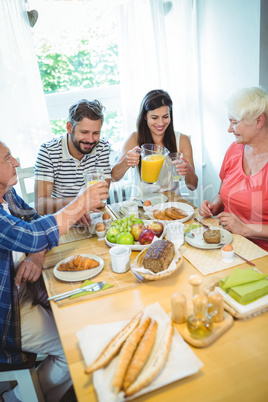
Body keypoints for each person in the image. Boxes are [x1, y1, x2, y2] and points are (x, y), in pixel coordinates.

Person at [0, 141, 108, 402]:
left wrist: (36, 256)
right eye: (7, 158)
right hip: (8, 312)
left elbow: (34, 223)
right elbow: (35, 234)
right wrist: (80, 204)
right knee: (76, 348)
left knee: (85, 312)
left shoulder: (7, 194)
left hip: (24, 291)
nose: (16, 162)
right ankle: (20, 398)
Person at [199, 86, 268, 251]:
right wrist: (214, 205)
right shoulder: (234, 149)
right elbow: (222, 193)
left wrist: (244, 228)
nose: (229, 129)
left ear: (259, 121)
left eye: (234, 122)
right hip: (228, 243)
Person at [35, 98, 111, 225]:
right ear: (69, 127)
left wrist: (84, 204)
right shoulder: (48, 151)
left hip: (94, 219)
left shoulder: (101, 147)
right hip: (63, 222)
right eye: (84, 132)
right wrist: (79, 204)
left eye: (96, 133)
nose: (90, 140)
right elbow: (40, 205)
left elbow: (101, 196)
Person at [111, 89, 198, 195]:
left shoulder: (182, 140)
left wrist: (189, 170)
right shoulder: (134, 138)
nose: (160, 123)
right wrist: (126, 161)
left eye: (165, 117)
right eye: (154, 117)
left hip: (171, 206)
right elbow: (114, 177)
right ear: (145, 116)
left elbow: (193, 186)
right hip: (142, 206)